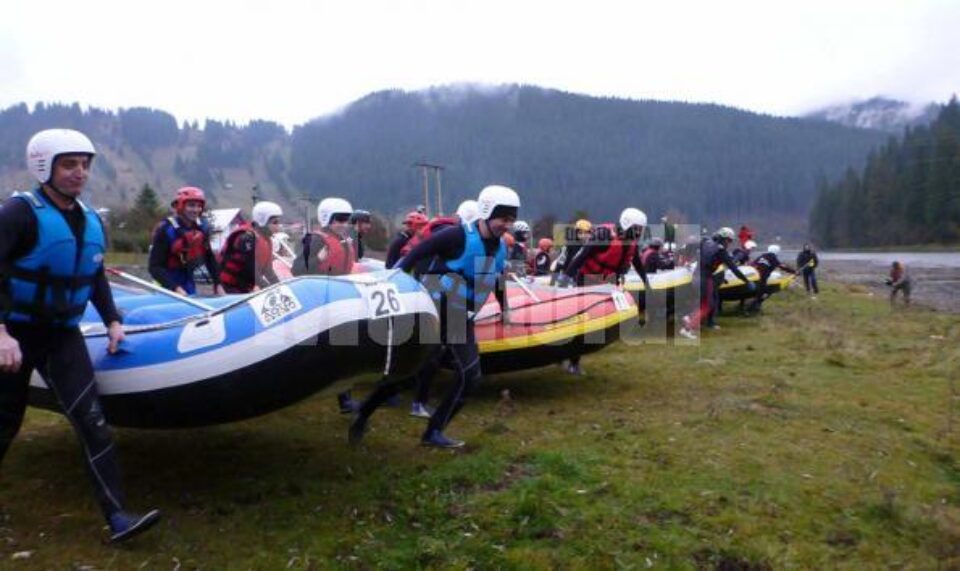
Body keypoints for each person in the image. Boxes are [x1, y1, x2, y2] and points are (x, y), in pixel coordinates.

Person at [0, 129, 160, 543]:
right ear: (44, 166)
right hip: (13, 332)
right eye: (69, 164)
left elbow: (93, 273)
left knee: (93, 422)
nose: (80, 172)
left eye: (85, 164)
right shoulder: (18, 213)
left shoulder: (90, 219)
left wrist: (112, 319)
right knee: (4, 424)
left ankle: (119, 517)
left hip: (61, 336)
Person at [349, 185, 518, 448]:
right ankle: (365, 411)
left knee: (469, 376)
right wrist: (395, 280)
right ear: (486, 212)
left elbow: (495, 278)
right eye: (502, 218)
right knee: (409, 373)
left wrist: (504, 306)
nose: (506, 225)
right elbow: (417, 253)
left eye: (511, 219)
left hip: (462, 317)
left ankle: (433, 431)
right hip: (437, 312)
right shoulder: (457, 236)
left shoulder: (499, 248)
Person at [561, 208, 651, 374]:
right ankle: (573, 362)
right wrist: (566, 277)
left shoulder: (630, 242)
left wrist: (646, 282)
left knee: (601, 321)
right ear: (627, 224)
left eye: (641, 229)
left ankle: (586, 349)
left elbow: (637, 262)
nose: (639, 232)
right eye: (637, 228)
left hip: (608, 283)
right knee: (582, 322)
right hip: (587, 280)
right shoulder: (604, 235)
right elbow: (582, 255)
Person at [679, 227, 755, 339]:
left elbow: (689, 245)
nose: (729, 243)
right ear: (724, 239)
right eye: (729, 240)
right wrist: (746, 281)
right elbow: (734, 268)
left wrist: (686, 260)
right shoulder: (721, 251)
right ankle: (688, 328)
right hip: (706, 278)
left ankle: (689, 317)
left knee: (701, 303)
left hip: (695, 276)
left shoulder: (705, 242)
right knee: (707, 305)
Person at [148, 186, 222, 296]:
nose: (196, 210)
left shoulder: (200, 229)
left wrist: (218, 284)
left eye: (199, 206)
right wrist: (175, 289)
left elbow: (209, 259)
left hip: (188, 285)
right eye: (191, 205)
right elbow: (154, 267)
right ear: (181, 206)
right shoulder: (166, 229)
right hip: (164, 287)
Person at [218, 201, 283, 293]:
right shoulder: (246, 238)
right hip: (229, 288)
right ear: (262, 221)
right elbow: (252, 270)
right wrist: (269, 289)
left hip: (245, 287)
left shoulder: (267, 241)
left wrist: (280, 287)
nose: (278, 226)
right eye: (275, 223)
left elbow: (268, 271)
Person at [296, 197, 356, 277]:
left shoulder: (343, 240)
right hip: (320, 287)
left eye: (347, 220)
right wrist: (318, 259)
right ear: (327, 218)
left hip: (341, 285)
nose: (345, 224)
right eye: (341, 219)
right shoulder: (315, 240)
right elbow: (296, 270)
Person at [745, 244, 795, 314]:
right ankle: (750, 310)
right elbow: (782, 267)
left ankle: (752, 308)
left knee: (758, 294)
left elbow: (752, 264)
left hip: (753, 278)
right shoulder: (773, 257)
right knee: (764, 294)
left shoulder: (762, 256)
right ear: (776, 251)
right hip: (762, 279)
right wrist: (793, 271)